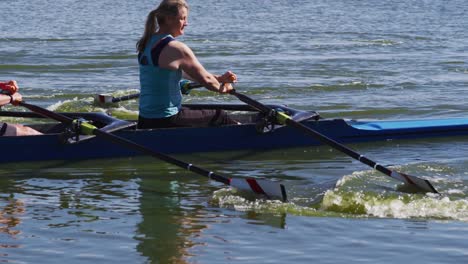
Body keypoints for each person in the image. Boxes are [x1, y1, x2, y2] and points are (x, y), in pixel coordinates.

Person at [136, 0, 239, 129]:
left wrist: (219, 79)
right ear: (168, 19)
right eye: (183, 18)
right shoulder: (176, 48)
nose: (186, 23)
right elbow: (207, 81)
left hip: (145, 119)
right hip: (167, 119)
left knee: (194, 110)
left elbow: (188, 74)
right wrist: (224, 88)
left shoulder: (146, 43)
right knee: (220, 115)